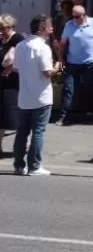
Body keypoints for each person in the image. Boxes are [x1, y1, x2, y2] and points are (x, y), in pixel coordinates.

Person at [12, 14, 59, 176]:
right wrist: (57, 68)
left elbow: (16, 68)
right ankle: (34, 166)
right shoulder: (43, 47)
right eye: (49, 26)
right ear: (42, 28)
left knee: (22, 131)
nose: (52, 29)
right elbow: (47, 72)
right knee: (38, 131)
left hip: (24, 96)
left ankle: (19, 165)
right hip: (41, 96)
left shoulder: (20, 45)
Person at [56, 5, 93, 125]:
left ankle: (90, 111)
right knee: (68, 88)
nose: (74, 19)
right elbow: (62, 43)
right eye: (73, 16)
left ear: (84, 15)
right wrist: (60, 58)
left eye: (77, 16)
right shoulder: (69, 25)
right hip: (73, 63)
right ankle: (63, 116)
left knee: (89, 87)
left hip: (90, 62)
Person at [0, 15, 24, 155]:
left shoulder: (18, 39)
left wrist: (9, 66)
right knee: (1, 116)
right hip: (2, 82)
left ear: (11, 27)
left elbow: (10, 61)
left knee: (14, 116)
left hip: (14, 83)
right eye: (0, 28)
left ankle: (22, 146)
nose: (2, 31)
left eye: (4, 28)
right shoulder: (1, 39)